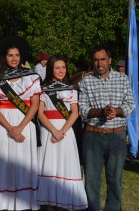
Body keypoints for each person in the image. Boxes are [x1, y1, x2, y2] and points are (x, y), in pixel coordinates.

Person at [78, 45, 135, 211]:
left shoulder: (122, 79)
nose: (99, 63)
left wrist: (116, 111)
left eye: (102, 59)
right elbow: (83, 109)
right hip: (93, 136)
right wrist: (101, 112)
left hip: (117, 135)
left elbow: (130, 104)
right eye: (95, 60)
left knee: (115, 180)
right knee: (91, 181)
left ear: (109, 60)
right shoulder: (86, 81)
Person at [0, 44, 41, 211]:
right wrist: (11, 129)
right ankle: (4, 203)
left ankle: (25, 203)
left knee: (25, 162)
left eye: (17, 55)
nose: (14, 58)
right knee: (5, 163)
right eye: (10, 55)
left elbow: (35, 105)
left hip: (26, 124)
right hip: (4, 125)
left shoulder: (31, 77)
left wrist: (20, 127)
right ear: (5, 58)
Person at [37, 55, 87, 210]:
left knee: (65, 168)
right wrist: (54, 131)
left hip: (66, 133)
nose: (61, 71)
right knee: (49, 167)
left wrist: (62, 131)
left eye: (63, 67)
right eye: (57, 68)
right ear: (51, 69)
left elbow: (75, 113)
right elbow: (40, 113)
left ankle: (64, 205)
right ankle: (49, 206)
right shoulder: (43, 89)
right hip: (48, 132)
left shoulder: (71, 89)